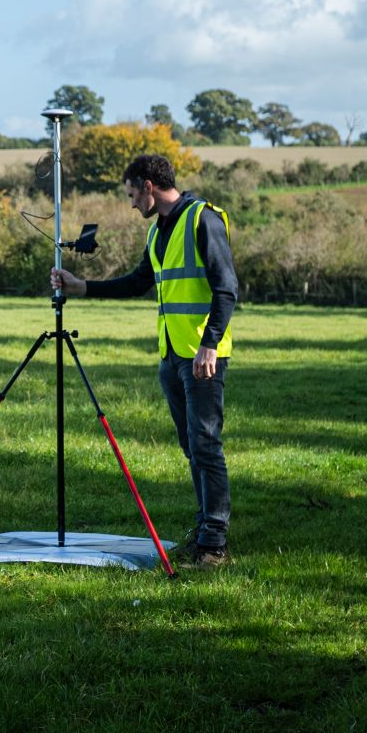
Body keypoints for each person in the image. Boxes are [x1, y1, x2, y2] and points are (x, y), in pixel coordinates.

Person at [50, 153, 238, 568]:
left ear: (149, 186)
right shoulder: (157, 233)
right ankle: (205, 529)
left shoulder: (202, 219)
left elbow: (227, 288)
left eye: (133, 194)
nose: (132, 203)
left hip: (202, 356)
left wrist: (210, 344)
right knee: (192, 445)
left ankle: (214, 544)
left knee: (206, 444)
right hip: (172, 356)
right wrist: (82, 287)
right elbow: (138, 282)